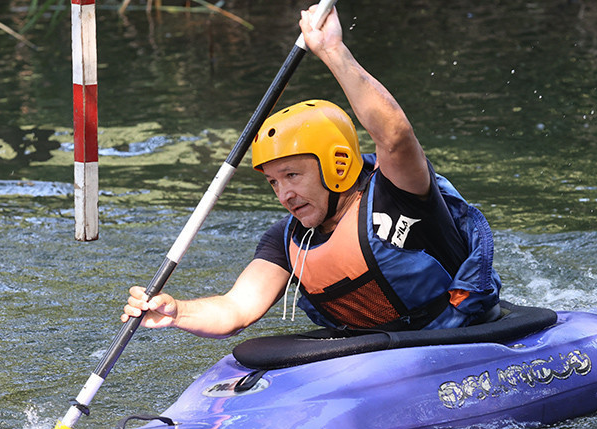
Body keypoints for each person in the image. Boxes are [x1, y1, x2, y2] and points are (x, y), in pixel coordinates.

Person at [121, 5, 501, 337]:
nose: (283, 194)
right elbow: (235, 310)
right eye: (272, 181)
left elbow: (395, 135)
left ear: (337, 163)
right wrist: (176, 312)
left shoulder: (398, 191)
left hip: (459, 335)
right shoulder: (287, 241)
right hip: (377, 352)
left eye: (292, 175)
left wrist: (333, 51)